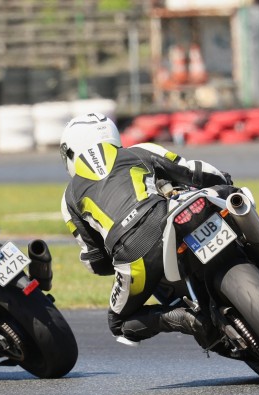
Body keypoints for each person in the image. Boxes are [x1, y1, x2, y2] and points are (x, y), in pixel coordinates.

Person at [59, 112, 233, 347]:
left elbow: (95, 260)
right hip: (168, 217)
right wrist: (225, 180)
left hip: (134, 255)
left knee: (118, 323)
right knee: (227, 196)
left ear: (70, 151)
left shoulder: (69, 198)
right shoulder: (140, 150)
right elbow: (193, 171)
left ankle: (186, 319)